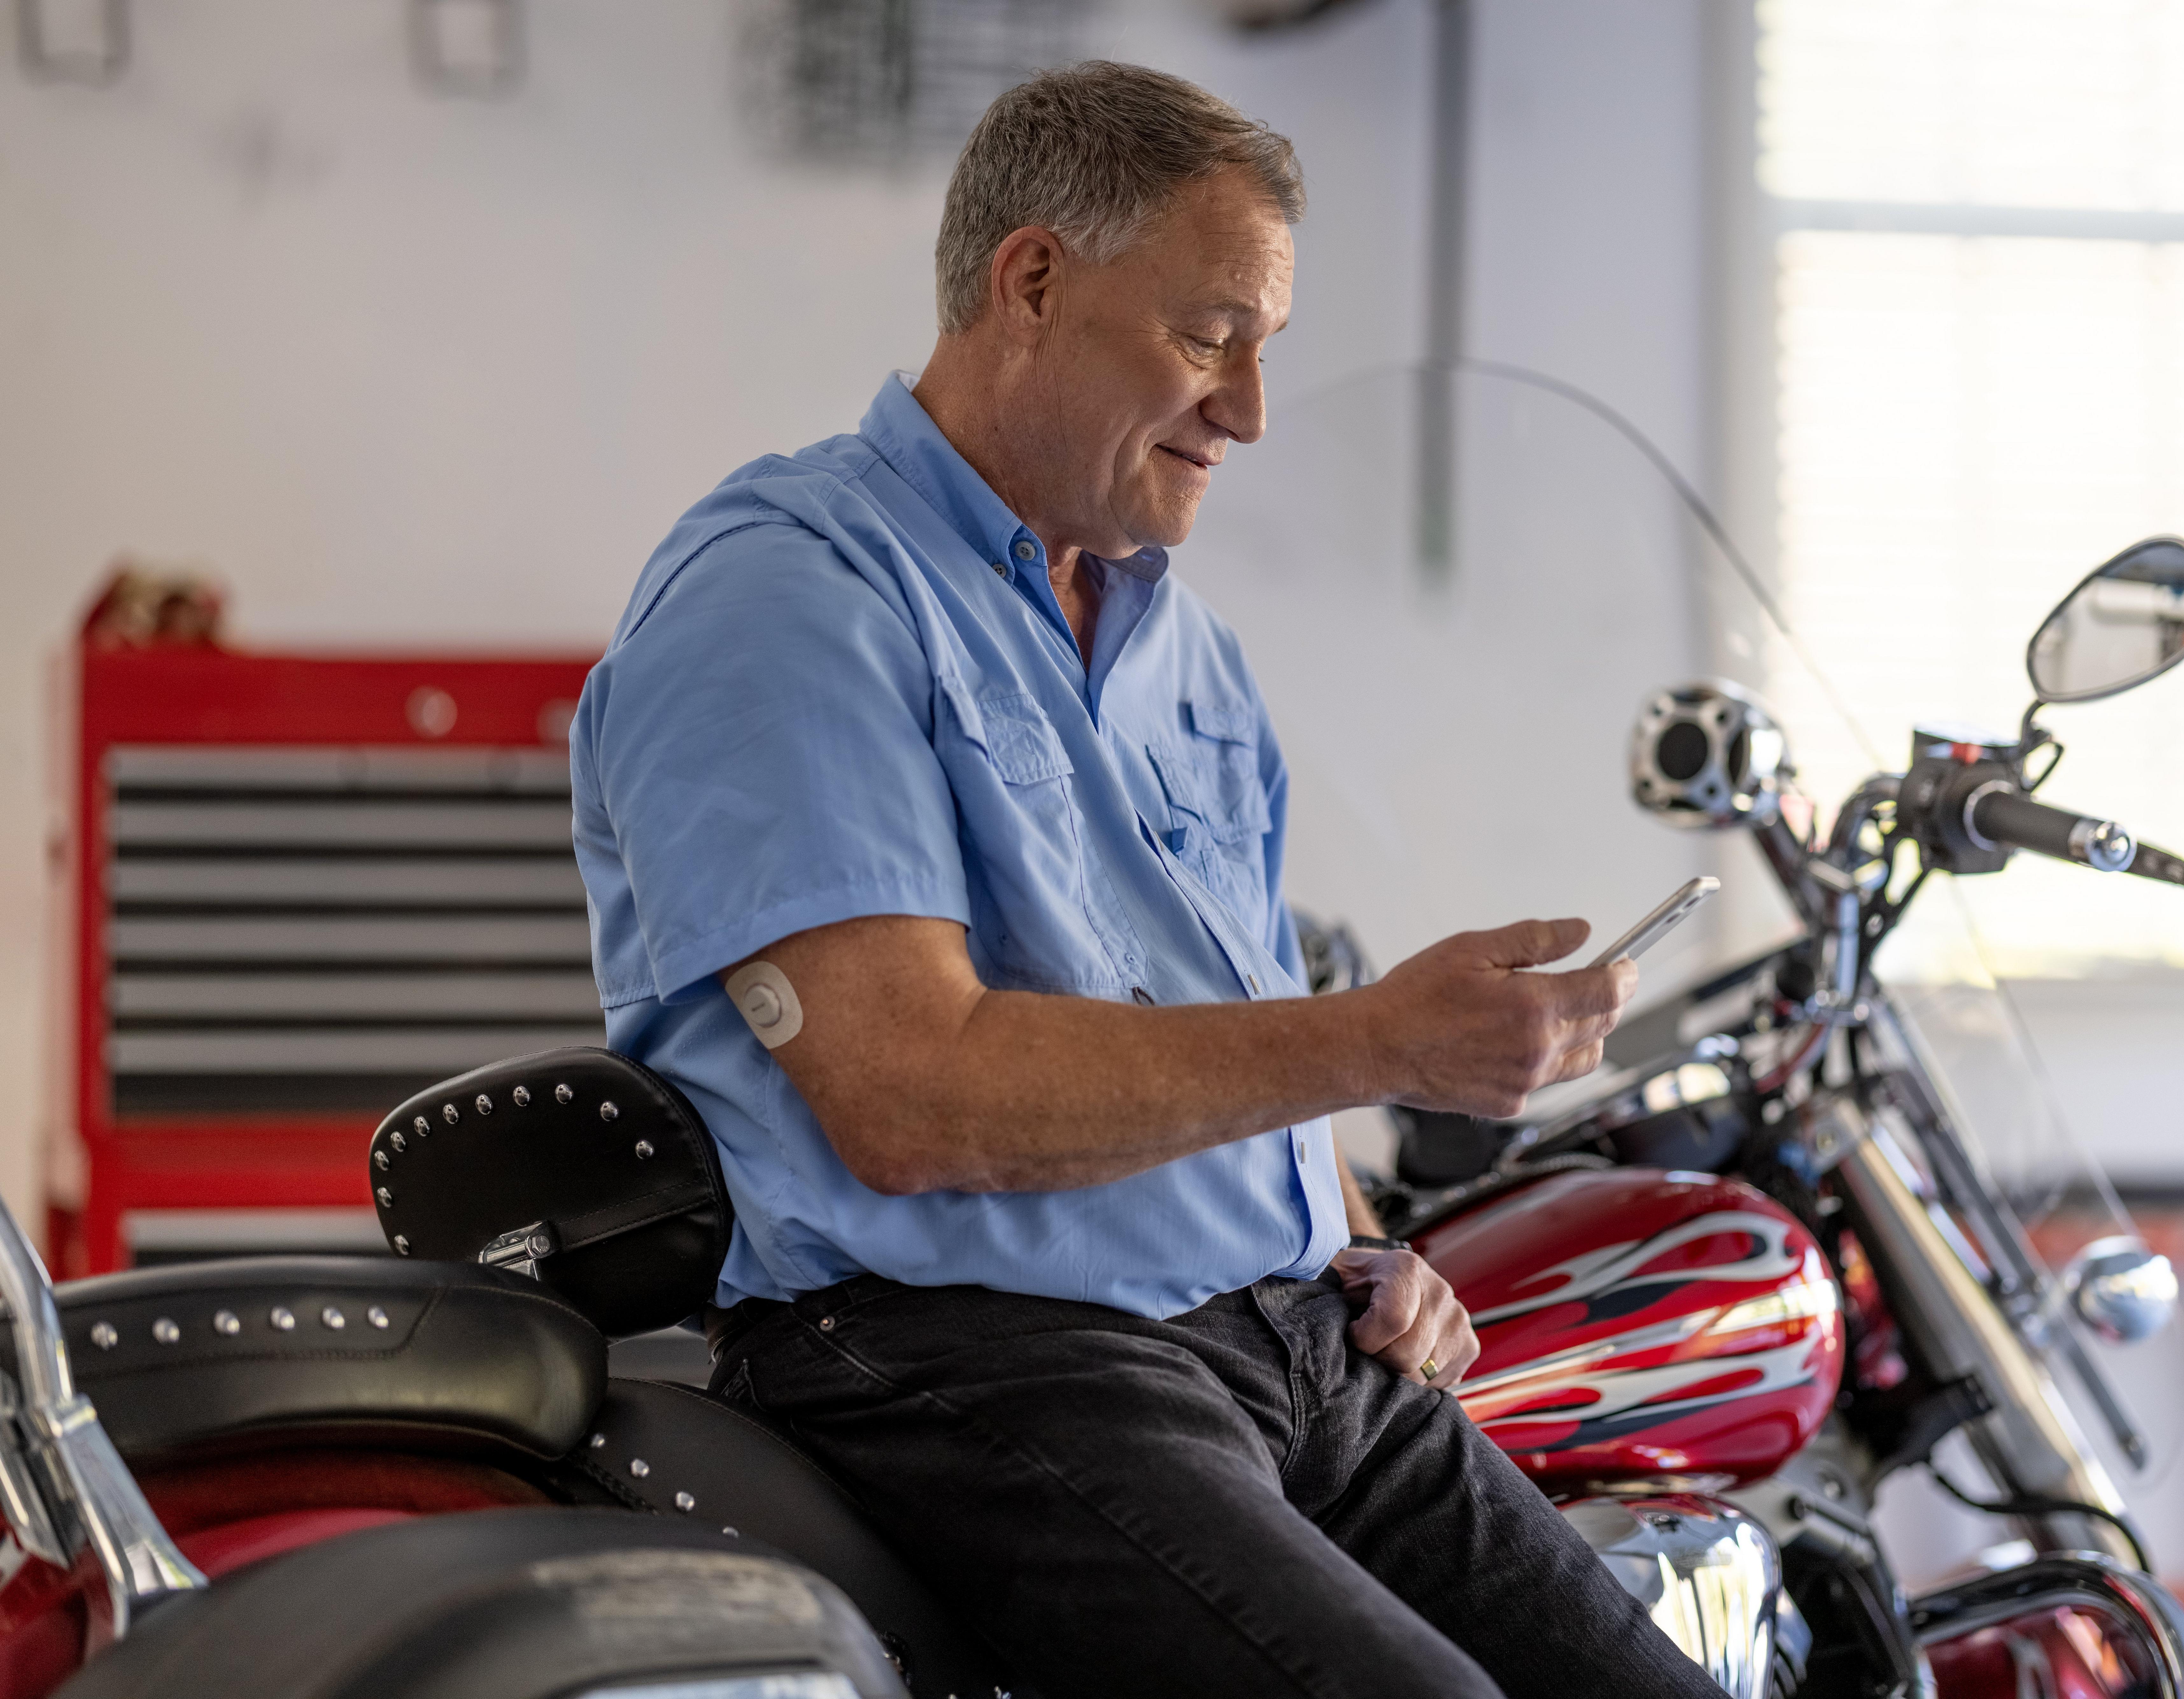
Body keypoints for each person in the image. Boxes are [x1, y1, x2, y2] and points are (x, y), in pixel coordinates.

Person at [570, 60, 1723, 1699]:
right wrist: (1388, 1038)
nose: (1246, 409)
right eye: (1208, 336)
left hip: (1292, 1340)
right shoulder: (788, 597)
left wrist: (1360, 1230)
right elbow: (911, 1096)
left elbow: (1216, 1019)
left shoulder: (1181, 647)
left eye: (1266, 350)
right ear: (1030, 282)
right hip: (974, 1351)